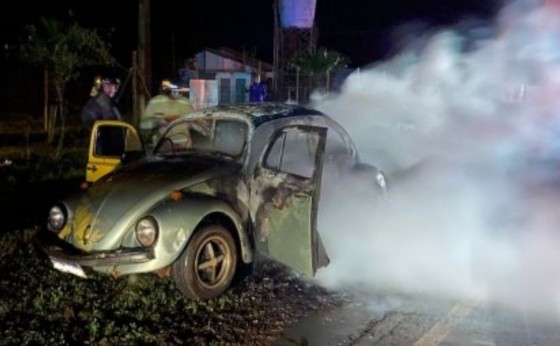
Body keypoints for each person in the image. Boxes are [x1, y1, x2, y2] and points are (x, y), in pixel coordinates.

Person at [141, 79, 194, 146]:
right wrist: (162, 120)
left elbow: (195, 123)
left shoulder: (186, 103)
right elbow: (144, 125)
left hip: (184, 148)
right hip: (163, 148)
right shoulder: (155, 102)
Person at [81, 77, 124, 156]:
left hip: (111, 146)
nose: (116, 90)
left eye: (116, 87)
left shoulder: (111, 102)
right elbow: (110, 122)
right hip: (104, 149)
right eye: (114, 87)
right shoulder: (102, 102)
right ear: (106, 87)